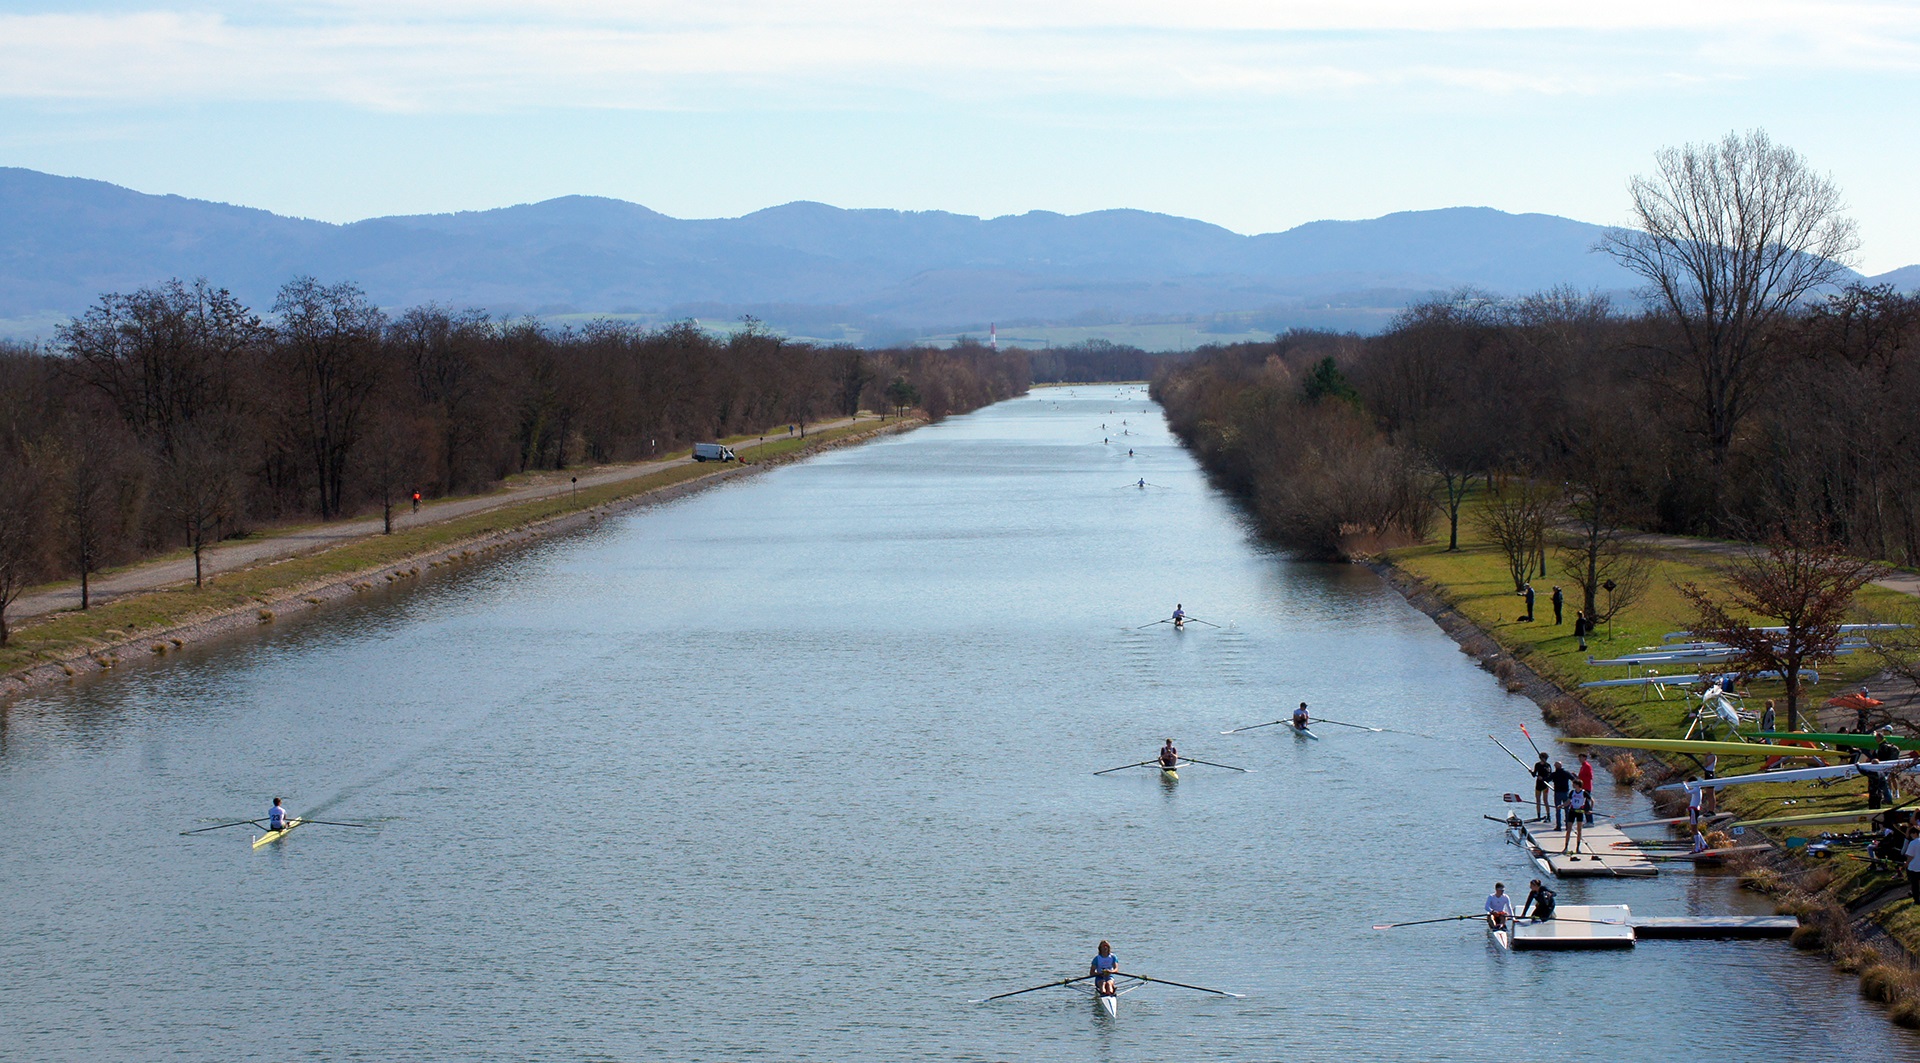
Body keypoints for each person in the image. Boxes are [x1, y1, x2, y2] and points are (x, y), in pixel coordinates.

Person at [1549, 759, 1573, 831]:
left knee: (1558, 810)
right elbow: (1573, 779)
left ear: (1556, 767)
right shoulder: (1566, 773)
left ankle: (1558, 826)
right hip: (1565, 793)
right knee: (1567, 810)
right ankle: (1568, 826)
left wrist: (1541, 778)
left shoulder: (1554, 774)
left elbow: (1547, 779)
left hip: (1558, 793)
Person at [1563, 787, 1588, 853]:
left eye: (1574, 784)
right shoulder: (1572, 792)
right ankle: (1566, 847)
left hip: (1579, 811)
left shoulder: (1584, 792)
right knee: (1569, 829)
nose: (1573, 785)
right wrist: (1562, 805)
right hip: (1572, 811)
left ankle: (1577, 848)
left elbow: (1592, 800)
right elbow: (1568, 801)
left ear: (1578, 785)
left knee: (1579, 830)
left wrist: (1589, 809)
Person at [1532, 752, 1552, 822]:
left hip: (1545, 785)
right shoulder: (1537, 765)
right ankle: (1538, 816)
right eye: (1543, 758)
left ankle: (1548, 816)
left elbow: (1550, 776)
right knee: (1538, 801)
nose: (1544, 760)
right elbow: (1534, 775)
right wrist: (1531, 772)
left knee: (1545, 800)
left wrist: (1543, 778)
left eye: (1545, 759)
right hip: (1538, 784)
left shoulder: (1548, 766)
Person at [1576, 753, 1596, 823]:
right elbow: (1580, 777)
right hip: (1582, 788)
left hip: (1587, 787)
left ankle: (1590, 821)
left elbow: (1590, 777)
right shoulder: (1582, 766)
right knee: (1583, 805)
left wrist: (1581, 779)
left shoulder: (1587, 766)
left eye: (1581, 757)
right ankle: (1587, 820)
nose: (1579, 759)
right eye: (1579, 758)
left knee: (1587, 804)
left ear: (1585, 758)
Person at [1905, 830, 1920, 901]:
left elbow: (1910, 856)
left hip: (1914, 866)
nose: (1911, 836)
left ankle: (1916, 899)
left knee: (1915, 884)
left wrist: (1906, 863)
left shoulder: (1913, 843)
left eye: (1911, 834)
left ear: (1915, 833)